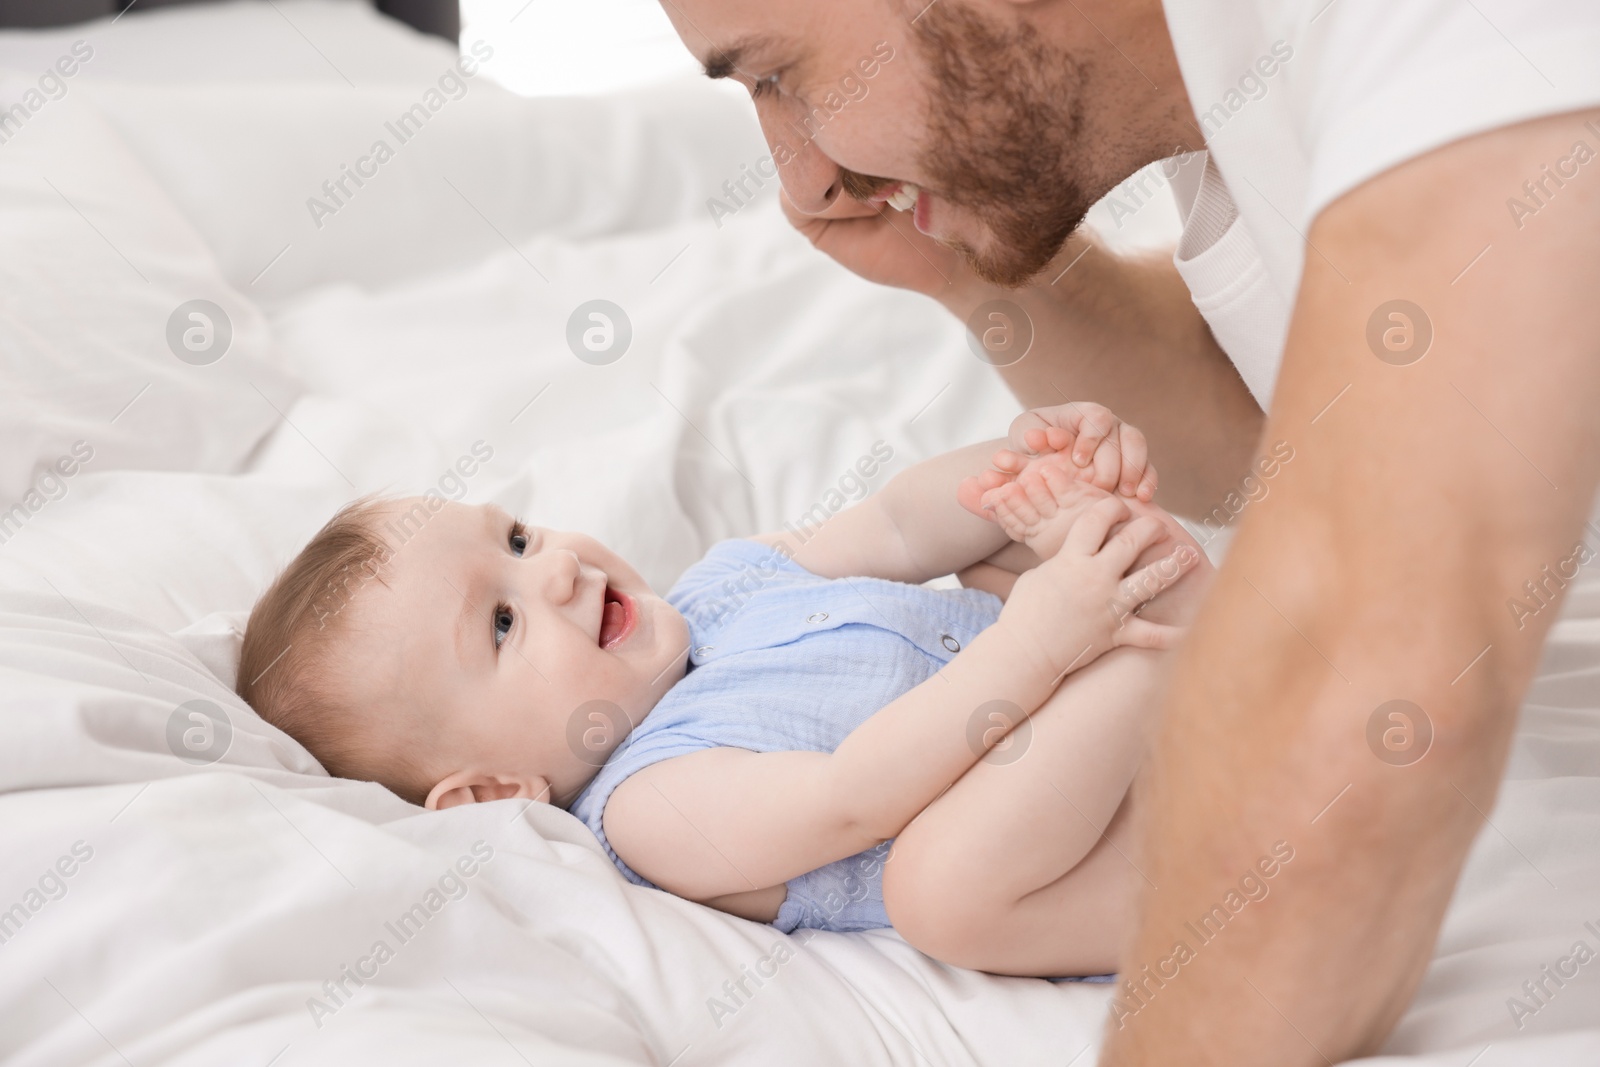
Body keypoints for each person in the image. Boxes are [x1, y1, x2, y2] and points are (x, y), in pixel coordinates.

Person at [655, 0, 1600, 1060]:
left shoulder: (1445, 29)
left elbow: (1368, 668)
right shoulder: (1228, 86)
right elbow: (1283, 421)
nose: (801, 180)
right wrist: (965, 268)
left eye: (779, 75)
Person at [235, 420, 1207, 976]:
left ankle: (1141, 595)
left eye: (519, 538)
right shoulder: (650, 802)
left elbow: (902, 527)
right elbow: (852, 794)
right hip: (1113, 840)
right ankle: (1151, 621)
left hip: (1115, 720)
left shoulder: (719, 589)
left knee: (989, 540)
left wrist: (1021, 469)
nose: (559, 569)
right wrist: (1043, 639)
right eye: (499, 621)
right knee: (937, 890)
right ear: (493, 787)